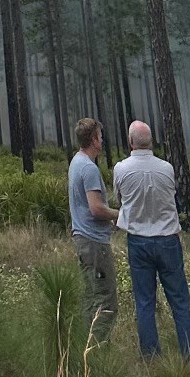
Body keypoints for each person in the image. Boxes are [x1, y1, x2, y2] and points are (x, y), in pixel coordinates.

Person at [112, 120, 190, 360]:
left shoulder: (121, 169)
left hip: (138, 240)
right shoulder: (167, 168)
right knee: (179, 300)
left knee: (145, 302)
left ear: (130, 142)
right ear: (150, 141)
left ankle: (151, 356)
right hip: (168, 239)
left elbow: (120, 201)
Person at [69, 118, 117, 338]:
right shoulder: (88, 169)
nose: (102, 140)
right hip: (95, 243)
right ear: (94, 139)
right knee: (105, 300)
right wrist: (121, 215)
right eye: (100, 135)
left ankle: (86, 347)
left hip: (84, 240)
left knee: (91, 297)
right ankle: (97, 350)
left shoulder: (76, 162)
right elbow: (96, 209)